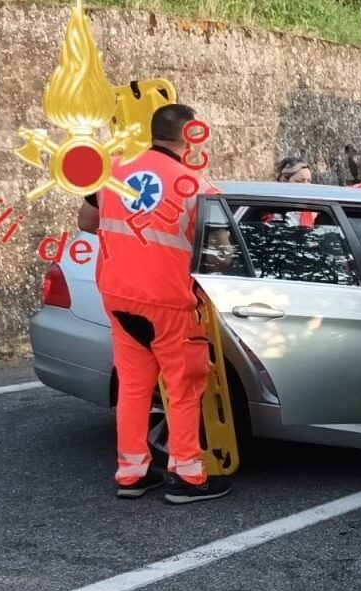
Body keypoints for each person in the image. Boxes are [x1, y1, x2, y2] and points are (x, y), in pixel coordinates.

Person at [76, 103, 230, 504]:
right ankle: (188, 476)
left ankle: (131, 474)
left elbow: (86, 222)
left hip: (118, 295)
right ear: (190, 137)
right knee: (183, 387)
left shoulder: (111, 170)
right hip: (168, 301)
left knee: (133, 386)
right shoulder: (197, 187)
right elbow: (221, 256)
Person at [273, 157, 317, 226]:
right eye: (299, 181)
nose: (307, 186)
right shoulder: (270, 210)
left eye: (308, 181)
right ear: (284, 181)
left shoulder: (315, 210)